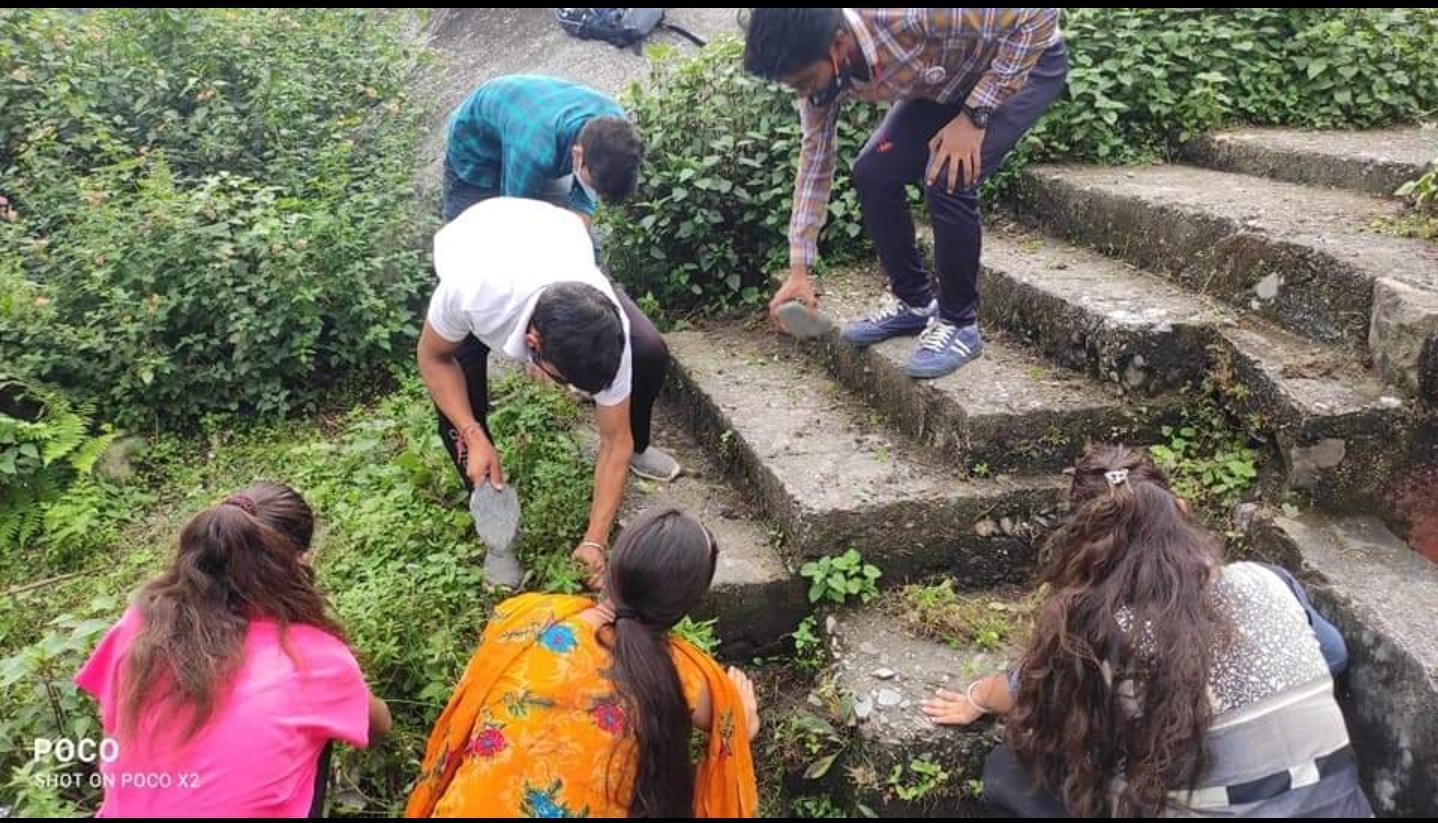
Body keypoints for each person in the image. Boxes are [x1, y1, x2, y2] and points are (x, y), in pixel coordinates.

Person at [921, 446, 1372, 817]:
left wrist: (977, 696)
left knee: (1009, 771)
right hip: (1344, 807)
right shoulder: (1267, 580)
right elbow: (1333, 654)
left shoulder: (1102, 630)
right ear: (1181, 511)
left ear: (1084, 543)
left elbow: (1029, 692)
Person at [743, 9, 1067, 379]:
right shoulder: (821, 80)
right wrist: (799, 270)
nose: (804, 93)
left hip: (1023, 62)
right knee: (873, 172)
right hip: (949, 80)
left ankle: (960, 324)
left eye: (804, 81)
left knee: (948, 174)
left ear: (838, 44)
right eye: (794, 87)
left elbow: (1037, 14)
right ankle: (915, 303)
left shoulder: (909, 15)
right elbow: (815, 162)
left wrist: (975, 116)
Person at [405, 507, 760, 818]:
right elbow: (731, 740)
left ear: (615, 567)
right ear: (684, 604)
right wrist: (742, 721)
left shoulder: (525, 616)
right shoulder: (685, 675)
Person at [75, 483, 391, 817]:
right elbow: (378, 724)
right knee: (320, 734)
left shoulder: (141, 622)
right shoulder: (315, 657)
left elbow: (112, 722)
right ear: (298, 563)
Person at [417, 197, 681, 588]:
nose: (571, 391)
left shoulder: (606, 324)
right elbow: (433, 358)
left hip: (556, 237)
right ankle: (498, 540)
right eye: (564, 381)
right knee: (460, 415)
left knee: (650, 351)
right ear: (533, 342)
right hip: (478, 239)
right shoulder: (470, 293)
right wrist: (472, 433)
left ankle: (641, 449)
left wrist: (594, 541)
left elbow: (614, 442)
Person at [441, 74, 642, 226]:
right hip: (476, 151)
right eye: (594, 185)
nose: (594, 192)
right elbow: (514, 220)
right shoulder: (534, 152)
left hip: (523, 126)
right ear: (578, 155)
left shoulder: (614, 125)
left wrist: (580, 234)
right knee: (473, 238)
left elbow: (584, 202)